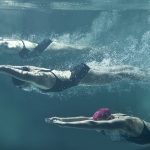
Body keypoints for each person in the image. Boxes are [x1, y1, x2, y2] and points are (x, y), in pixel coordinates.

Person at [0, 63, 148, 93]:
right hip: (77, 71)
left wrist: (1, 67)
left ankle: (146, 77)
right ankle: (145, 72)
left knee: (121, 75)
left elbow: (22, 73)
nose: (23, 89)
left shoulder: (36, 79)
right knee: (120, 70)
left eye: (21, 87)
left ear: (24, 82)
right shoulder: (32, 68)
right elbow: (21, 68)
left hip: (80, 76)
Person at [45, 108, 150, 145]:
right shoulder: (109, 117)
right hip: (141, 138)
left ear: (109, 118)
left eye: (101, 122)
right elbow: (87, 118)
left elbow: (92, 124)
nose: (99, 125)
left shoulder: (123, 122)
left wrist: (64, 124)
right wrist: (62, 119)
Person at [0, 38, 89, 58]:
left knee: (68, 48)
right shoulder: (4, 40)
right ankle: (85, 49)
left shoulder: (8, 46)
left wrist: (26, 56)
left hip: (42, 48)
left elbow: (13, 46)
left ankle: (86, 49)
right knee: (67, 48)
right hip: (40, 46)